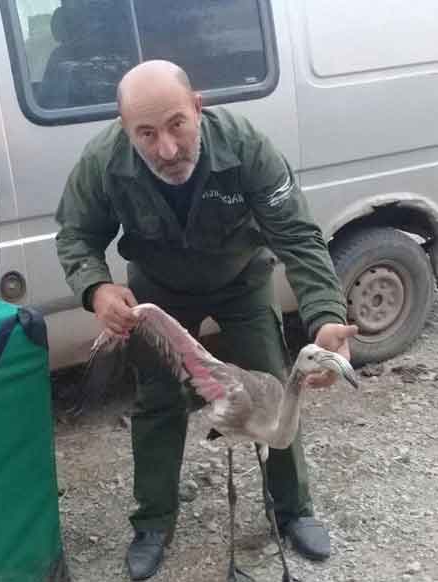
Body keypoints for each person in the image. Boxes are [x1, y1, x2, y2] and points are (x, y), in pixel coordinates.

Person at [55, 60, 357, 581]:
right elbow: (76, 236)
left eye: (177, 124)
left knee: (273, 388)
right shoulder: (103, 160)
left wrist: (326, 317)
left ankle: (292, 510)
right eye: (145, 134)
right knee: (158, 398)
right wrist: (97, 288)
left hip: (241, 278)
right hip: (158, 286)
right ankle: (152, 523)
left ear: (198, 106)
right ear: (124, 128)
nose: (166, 149)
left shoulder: (245, 148)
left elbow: (298, 238)